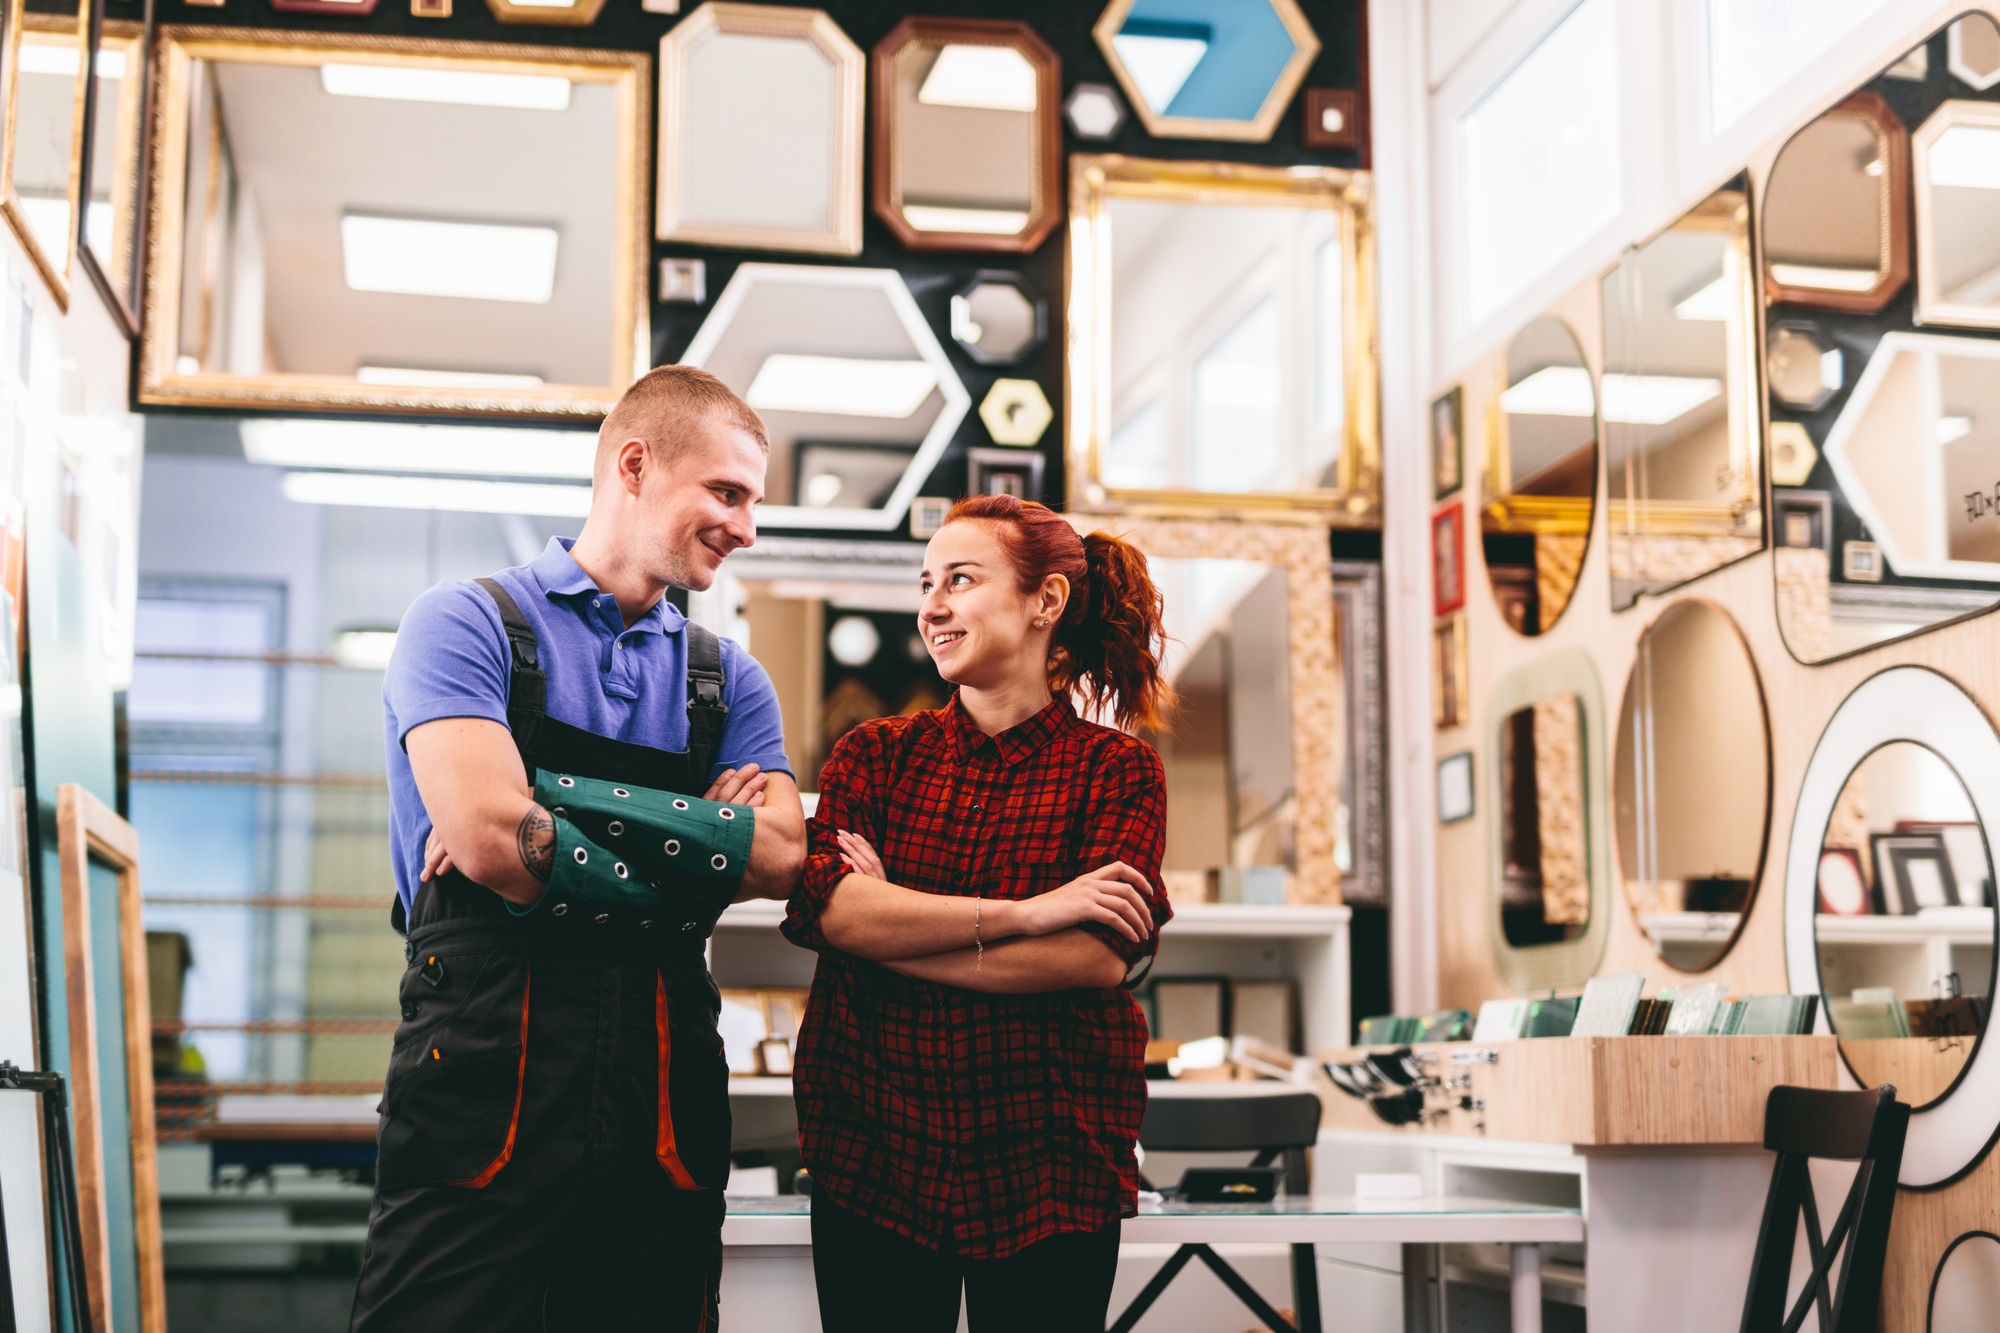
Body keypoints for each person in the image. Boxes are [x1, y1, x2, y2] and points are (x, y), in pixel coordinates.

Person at [350, 365, 807, 1332]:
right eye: (726, 493)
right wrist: (698, 835)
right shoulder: (464, 622)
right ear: (634, 465)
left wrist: (550, 801)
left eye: (753, 501)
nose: (746, 527)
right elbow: (485, 839)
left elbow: (777, 856)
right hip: (484, 1052)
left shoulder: (732, 680)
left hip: (663, 1069)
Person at [782, 494, 1174, 1333]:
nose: (933, 604)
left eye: (960, 579)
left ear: (1046, 602)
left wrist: (891, 927)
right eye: (928, 582)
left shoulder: (1118, 771)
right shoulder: (874, 756)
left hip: (1049, 1157)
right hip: (872, 1147)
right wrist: (1029, 914)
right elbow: (829, 911)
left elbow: (1095, 957)